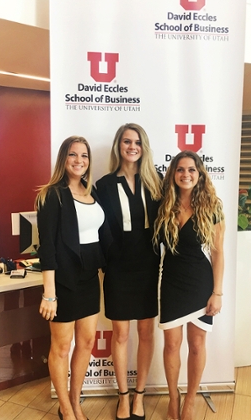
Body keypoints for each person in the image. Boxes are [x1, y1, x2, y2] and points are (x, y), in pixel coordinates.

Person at [36, 135, 111, 420]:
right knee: (62, 346)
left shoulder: (92, 192)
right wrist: (49, 293)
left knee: (87, 342)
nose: (79, 160)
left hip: (89, 277)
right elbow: (48, 248)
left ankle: (76, 400)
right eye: (72, 155)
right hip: (63, 281)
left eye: (84, 155)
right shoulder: (51, 195)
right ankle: (66, 408)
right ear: (63, 159)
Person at [96, 123, 162, 420]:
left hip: (147, 264)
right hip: (119, 267)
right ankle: (123, 396)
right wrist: (110, 259)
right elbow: (102, 228)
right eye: (126, 141)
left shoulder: (157, 181)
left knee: (146, 332)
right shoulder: (104, 184)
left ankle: (140, 396)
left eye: (137, 142)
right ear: (118, 146)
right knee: (120, 334)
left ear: (143, 146)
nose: (132, 146)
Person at [153, 150, 225, 420]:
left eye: (191, 170)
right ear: (173, 174)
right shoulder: (162, 205)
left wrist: (217, 292)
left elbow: (218, 252)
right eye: (180, 169)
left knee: (197, 345)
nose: (186, 174)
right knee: (171, 345)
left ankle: (191, 400)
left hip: (201, 283)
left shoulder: (212, 206)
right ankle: (174, 398)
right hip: (171, 282)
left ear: (199, 174)